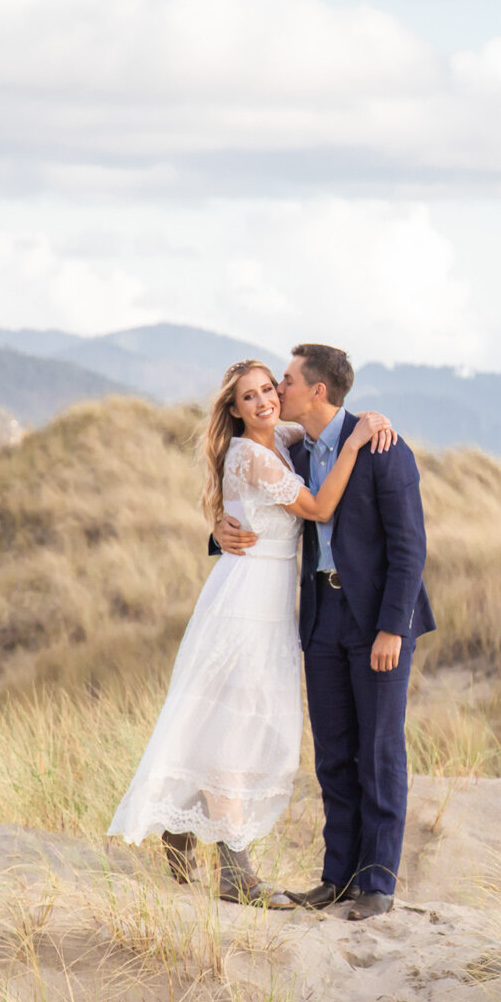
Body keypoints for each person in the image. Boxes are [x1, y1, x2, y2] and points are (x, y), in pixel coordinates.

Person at [107, 359, 393, 906]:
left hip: (270, 604)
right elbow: (319, 507)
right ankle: (235, 872)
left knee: (237, 720)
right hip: (243, 602)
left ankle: (183, 825)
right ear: (234, 409)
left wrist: (365, 421)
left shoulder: (281, 439)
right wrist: (356, 445)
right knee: (236, 727)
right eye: (249, 397)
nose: (264, 401)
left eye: (269, 389)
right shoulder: (249, 456)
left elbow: (318, 426)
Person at [213, 344, 433, 921]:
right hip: (319, 615)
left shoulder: (382, 446)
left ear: (317, 390)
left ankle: (377, 885)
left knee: (378, 750)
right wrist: (219, 532)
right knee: (334, 754)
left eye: (284, 381)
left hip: (377, 619)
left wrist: (392, 628)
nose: (276, 391)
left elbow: (410, 548)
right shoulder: (293, 450)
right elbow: (255, 501)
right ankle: (338, 879)